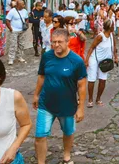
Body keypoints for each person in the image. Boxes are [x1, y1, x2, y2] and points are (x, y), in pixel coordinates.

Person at [33, 28, 87, 164]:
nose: (56, 45)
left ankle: (67, 156)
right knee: (40, 135)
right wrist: (36, 95)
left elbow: (82, 86)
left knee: (68, 132)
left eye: (59, 42)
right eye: (53, 42)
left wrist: (81, 108)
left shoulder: (77, 61)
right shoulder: (47, 56)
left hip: (67, 105)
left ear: (68, 41)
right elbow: (41, 76)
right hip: (46, 103)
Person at [85, 19, 117, 108]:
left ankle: (98, 99)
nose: (114, 27)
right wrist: (87, 60)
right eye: (113, 25)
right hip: (94, 59)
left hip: (105, 62)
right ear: (109, 27)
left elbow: (114, 46)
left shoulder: (111, 35)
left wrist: (116, 56)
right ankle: (90, 99)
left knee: (103, 80)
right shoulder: (100, 37)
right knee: (92, 79)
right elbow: (91, 48)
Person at [6, 0, 29, 65]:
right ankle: (11, 58)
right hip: (14, 31)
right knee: (13, 45)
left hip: (22, 30)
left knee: (21, 44)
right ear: (18, 5)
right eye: (22, 4)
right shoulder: (12, 11)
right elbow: (7, 20)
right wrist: (10, 29)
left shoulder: (24, 11)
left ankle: (20, 57)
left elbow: (27, 18)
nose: (24, 5)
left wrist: (27, 24)